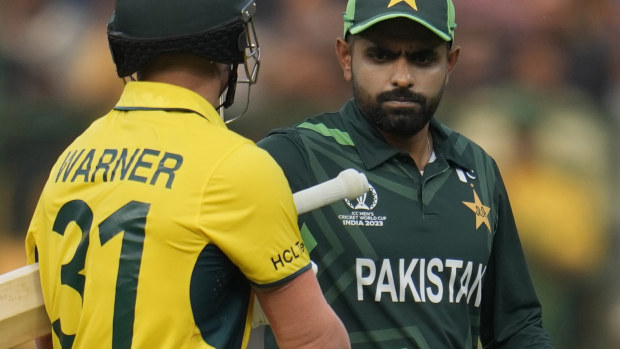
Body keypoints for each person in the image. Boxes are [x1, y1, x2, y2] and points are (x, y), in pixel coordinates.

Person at [24, 0, 350, 348]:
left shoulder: (68, 162)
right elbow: (315, 340)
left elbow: (46, 335)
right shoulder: (236, 165)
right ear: (228, 43)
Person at [256, 0, 555, 347]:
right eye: (380, 56)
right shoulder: (295, 158)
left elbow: (516, 326)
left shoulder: (478, 168)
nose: (402, 77)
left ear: (451, 63)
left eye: (423, 58)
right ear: (345, 58)